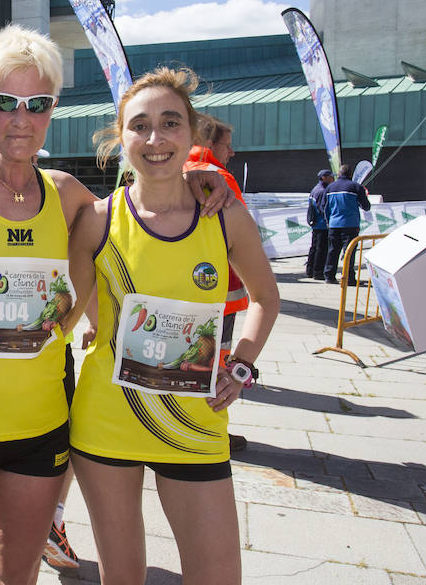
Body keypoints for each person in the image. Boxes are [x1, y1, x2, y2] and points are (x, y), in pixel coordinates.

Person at [0, 26, 233, 585]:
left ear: (53, 110)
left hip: (41, 429)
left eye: (36, 104)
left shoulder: (69, 197)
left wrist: (195, 177)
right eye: (4, 102)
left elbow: (143, 205)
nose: (20, 118)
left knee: (17, 574)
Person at [64, 67, 280, 584]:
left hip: (195, 419)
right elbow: (61, 311)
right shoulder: (97, 218)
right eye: (139, 126)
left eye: (170, 123)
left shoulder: (223, 214)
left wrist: (242, 366)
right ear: (121, 138)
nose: (155, 138)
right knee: (123, 575)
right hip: (107, 419)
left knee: (217, 574)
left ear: (191, 132)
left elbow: (266, 298)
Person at [184, 114, 250, 453]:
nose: (232, 151)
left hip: (189, 291)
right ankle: (210, 430)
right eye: (227, 145)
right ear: (210, 144)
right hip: (219, 294)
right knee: (213, 365)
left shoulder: (178, 174)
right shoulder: (219, 179)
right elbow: (240, 240)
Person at [323, 163, 370, 285]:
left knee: (332, 250)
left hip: (334, 224)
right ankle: (349, 278)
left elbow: (324, 207)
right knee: (349, 252)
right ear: (350, 174)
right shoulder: (356, 187)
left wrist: (329, 222)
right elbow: (366, 206)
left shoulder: (330, 188)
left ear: (339, 174)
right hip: (350, 224)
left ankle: (329, 276)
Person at [306, 169, 333, 279]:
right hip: (322, 224)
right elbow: (323, 208)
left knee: (314, 247)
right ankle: (318, 272)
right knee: (321, 249)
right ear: (324, 177)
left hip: (316, 223)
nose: (333, 179)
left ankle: (310, 270)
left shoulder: (315, 189)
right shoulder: (322, 191)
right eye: (331, 177)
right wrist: (328, 221)